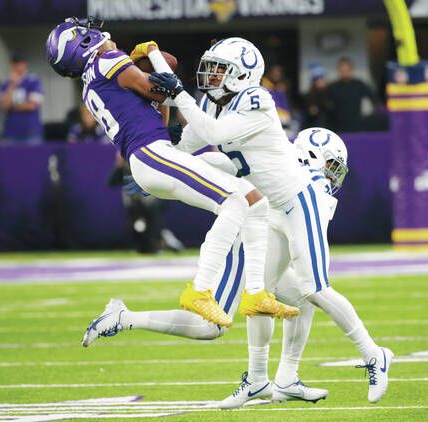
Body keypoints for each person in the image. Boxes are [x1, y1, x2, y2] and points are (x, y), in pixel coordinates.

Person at [148, 38, 392, 404]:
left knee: (314, 288)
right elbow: (187, 149)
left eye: (221, 69)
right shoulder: (214, 105)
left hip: (297, 202)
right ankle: (259, 380)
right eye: (212, 67)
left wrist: (178, 94)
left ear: (242, 74)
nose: (212, 75)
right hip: (270, 210)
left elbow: (213, 137)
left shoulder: (256, 99)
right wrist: (153, 149)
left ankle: (375, 354)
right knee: (258, 294)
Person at [45, 17, 297, 331]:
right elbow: (157, 88)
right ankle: (200, 289)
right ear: (82, 43)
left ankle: (255, 292)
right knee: (239, 199)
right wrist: (155, 59)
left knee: (253, 202)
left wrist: (160, 77)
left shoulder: (93, 83)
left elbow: (159, 105)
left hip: (152, 155)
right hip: (152, 155)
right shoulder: (108, 60)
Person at [85, 127, 349, 408]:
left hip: (260, 250)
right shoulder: (279, 162)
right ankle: (123, 317)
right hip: (240, 247)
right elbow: (224, 163)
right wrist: (168, 169)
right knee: (209, 327)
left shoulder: (295, 175)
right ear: (314, 155)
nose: (333, 175)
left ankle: (285, 379)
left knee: (301, 299)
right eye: (331, 165)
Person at [0, 53, 44, 144]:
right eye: (14, 63)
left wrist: (12, 107)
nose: (16, 66)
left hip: (31, 132)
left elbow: (32, 105)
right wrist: (12, 85)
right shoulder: (6, 84)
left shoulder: (33, 81)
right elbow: (3, 106)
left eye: (19, 63)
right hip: (11, 132)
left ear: (24, 64)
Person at [327, 57, 379, 132]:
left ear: (351, 70)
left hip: (356, 125)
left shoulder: (359, 85)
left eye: (347, 70)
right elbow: (326, 105)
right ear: (338, 70)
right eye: (342, 70)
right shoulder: (333, 87)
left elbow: (374, 99)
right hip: (337, 127)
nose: (344, 72)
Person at [302, 64, 331, 128]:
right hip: (315, 127)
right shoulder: (308, 96)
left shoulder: (331, 92)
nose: (320, 81)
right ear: (313, 81)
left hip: (331, 128)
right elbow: (308, 114)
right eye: (316, 79)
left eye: (321, 77)